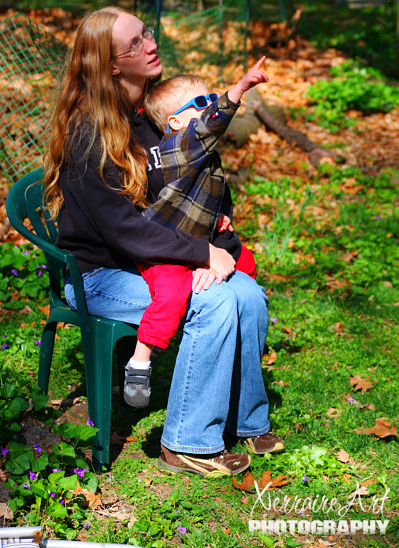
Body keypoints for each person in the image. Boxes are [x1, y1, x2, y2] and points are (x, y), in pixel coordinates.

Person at [43, 6, 284, 477]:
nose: (150, 45)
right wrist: (198, 253)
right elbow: (123, 231)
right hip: (99, 274)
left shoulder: (150, 114)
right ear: (112, 65)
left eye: (147, 34)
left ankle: (246, 421)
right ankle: (187, 443)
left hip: (153, 261)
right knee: (214, 304)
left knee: (248, 295)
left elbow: (195, 167)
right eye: (134, 43)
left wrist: (220, 220)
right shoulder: (89, 133)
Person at [126, 65, 266, 408]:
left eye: (211, 97)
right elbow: (213, 122)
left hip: (196, 239)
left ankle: (237, 346)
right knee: (170, 294)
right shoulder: (181, 145)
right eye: (202, 101)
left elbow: (208, 193)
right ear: (175, 122)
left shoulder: (202, 152)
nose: (210, 105)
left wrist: (219, 220)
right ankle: (140, 360)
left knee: (245, 266)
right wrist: (238, 89)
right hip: (165, 249)